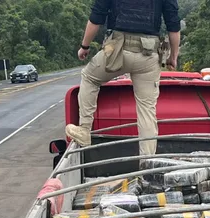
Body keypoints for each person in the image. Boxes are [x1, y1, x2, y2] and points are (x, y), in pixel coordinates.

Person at [65, 0, 180, 158]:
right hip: (148, 54)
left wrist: (84, 47)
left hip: (117, 51)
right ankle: (147, 162)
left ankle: (84, 130)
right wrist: (173, 57)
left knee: (89, 77)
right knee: (147, 110)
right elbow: (173, 25)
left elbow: (96, 18)